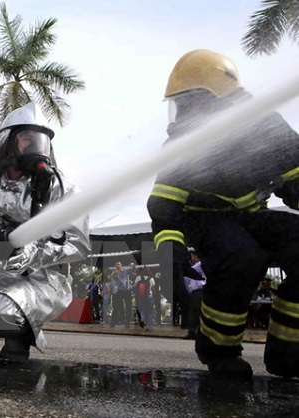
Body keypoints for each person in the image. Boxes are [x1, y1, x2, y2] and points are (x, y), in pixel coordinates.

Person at [147, 48, 299, 379]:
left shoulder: (266, 127)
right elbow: (164, 204)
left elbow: (294, 177)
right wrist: (169, 251)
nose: (182, 112)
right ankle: (219, 351)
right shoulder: (184, 145)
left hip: (254, 216)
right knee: (241, 256)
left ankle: (290, 350)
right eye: (180, 104)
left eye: (189, 102)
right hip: (206, 219)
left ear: (218, 99)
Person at [0, 102, 91, 362]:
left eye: (42, 141)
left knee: (2, 309)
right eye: (28, 140)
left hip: (41, 279)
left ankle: (18, 341)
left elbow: (78, 245)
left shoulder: (61, 189)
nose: (37, 148)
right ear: (7, 144)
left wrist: (28, 252)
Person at [183, 249, 206, 340]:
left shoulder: (199, 265)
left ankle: (196, 332)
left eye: (192, 256)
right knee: (193, 312)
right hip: (196, 292)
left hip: (200, 291)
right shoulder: (199, 265)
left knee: (197, 312)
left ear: (195, 256)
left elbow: (188, 271)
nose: (191, 258)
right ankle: (192, 331)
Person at [110, 261, 135, 328]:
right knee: (116, 307)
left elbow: (133, 268)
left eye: (119, 264)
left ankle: (127, 323)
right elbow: (112, 276)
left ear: (121, 265)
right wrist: (116, 274)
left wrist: (132, 264)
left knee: (128, 307)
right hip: (119, 291)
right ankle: (113, 322)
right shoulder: (114, 272)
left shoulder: (126, 270)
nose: (117, 266)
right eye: (116, 265)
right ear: (115, 266)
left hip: (127, 290)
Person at [133, 266, 155, 330]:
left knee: (142, 309)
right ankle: (149, 326)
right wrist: (154, 297)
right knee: (149, 311)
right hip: (149, 297)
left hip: (140, 297)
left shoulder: (138, 278)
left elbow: (135, 288)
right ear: (149, 271)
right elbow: (153, 290)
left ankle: (142, 319)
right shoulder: (151, 279)